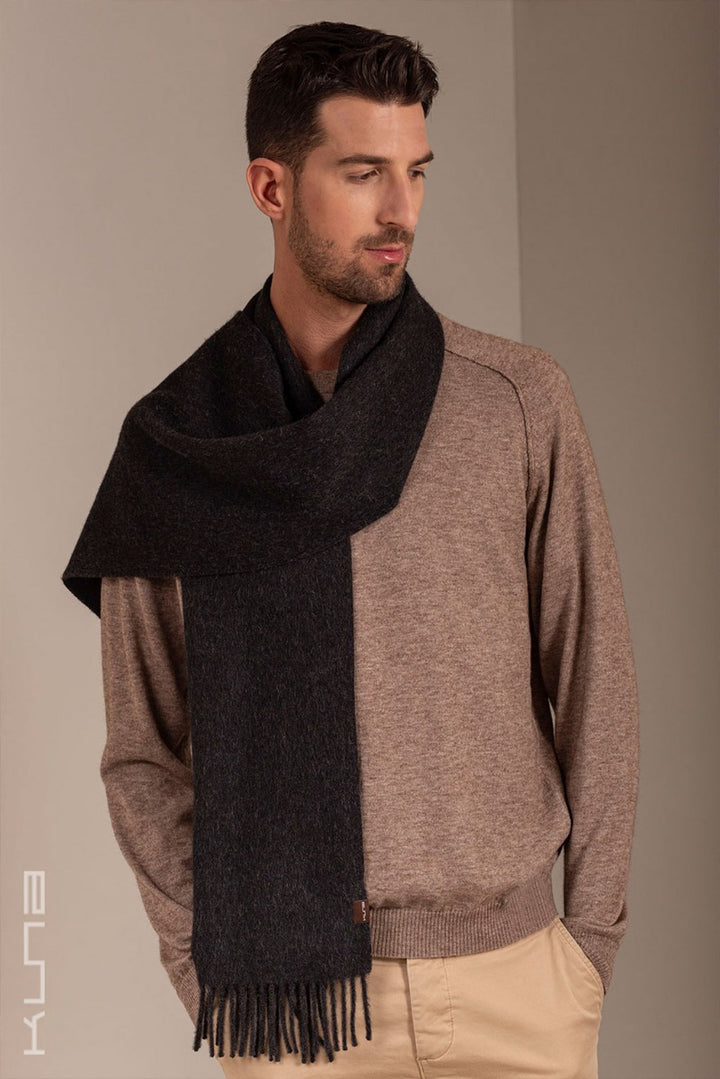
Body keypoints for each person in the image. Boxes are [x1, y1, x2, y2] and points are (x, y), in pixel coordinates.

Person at [73, 19, 639, 1079]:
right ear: (271, 187)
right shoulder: (180, 448)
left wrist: (589, 947)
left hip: (518, 986)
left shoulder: (517, 402)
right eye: (364, 172)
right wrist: (205, 966)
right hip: (293, 1013)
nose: (401, 211)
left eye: (417, 171)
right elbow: (142, 750)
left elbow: (594, 679)